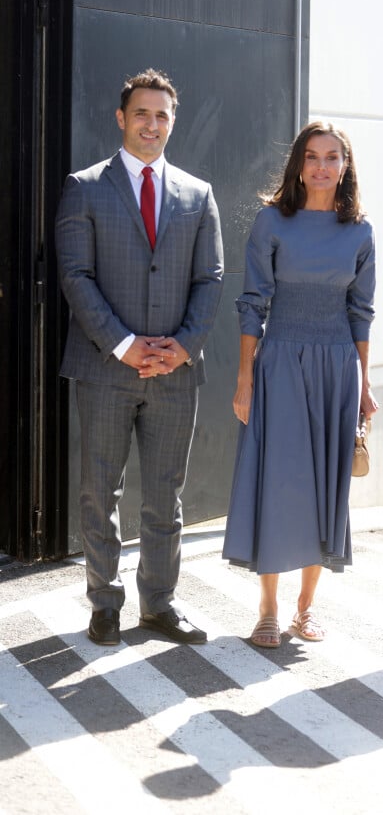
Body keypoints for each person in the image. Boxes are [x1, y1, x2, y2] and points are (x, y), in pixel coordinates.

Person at [55, 68, 224, 646]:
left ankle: (159, 603)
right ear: (122, 118)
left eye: (163, 116)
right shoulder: (85, 186)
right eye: (143, 114)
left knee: (165, 494)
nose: (152, 125)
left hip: (175, 372)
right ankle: (105, 602)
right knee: (99, 491)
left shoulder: (198, 195)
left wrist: (183, 346)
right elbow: (75, 275)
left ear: (172, 123)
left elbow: (211, 277)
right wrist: (125, 345)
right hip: (105, 368)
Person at [222, 121, 378, 648]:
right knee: (278, 481)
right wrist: (244, 379)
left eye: (332, 157)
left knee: (323, 487)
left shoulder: (360, 231)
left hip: (338, 366)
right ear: (298, 164)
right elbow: (252, 304)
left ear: (345, 165)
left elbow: (362, 314)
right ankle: (266, 610)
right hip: (281, 362)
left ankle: (304, 611)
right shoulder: (272, 222)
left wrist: (365, 384)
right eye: (312, 156)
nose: (321, 166)